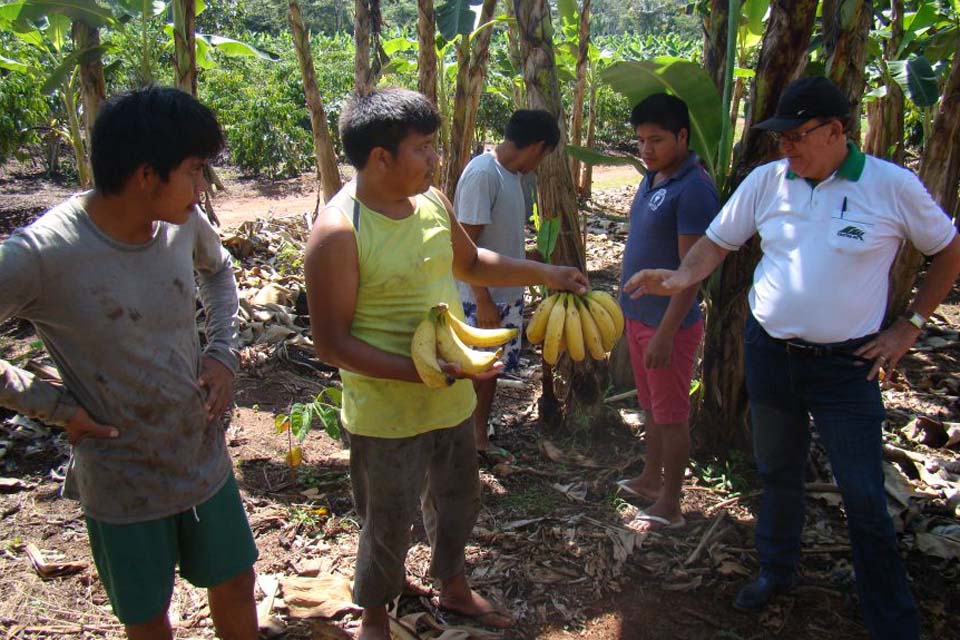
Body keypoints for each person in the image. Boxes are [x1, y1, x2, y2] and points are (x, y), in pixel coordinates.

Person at [624, 76, 960, 640]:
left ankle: (891, 617)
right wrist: (683, 275)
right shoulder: (768, 181)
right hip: (770, 353)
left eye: (798, 136)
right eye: (781, 137)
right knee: (776, 472)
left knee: (862, 493)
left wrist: (910, 325)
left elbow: (948, 247)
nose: (787, 148)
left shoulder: (890, 186)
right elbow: (718, 241)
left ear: (836, 131)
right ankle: (776, 571)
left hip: (846, 367)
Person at [303, 88, 587, 640]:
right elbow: (331, 344)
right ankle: (375, 617)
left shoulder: (433, 201)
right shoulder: (340, 231)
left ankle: (452, 585)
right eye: (424, 148)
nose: (436, 159)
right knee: (386, 522)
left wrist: (544, 272)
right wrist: (428, 372)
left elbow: (472, 263)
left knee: (458, 501)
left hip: (452, 397)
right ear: (381, 157)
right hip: (387, 412)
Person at [0, 87, 258, 639]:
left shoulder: (182, 221)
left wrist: (222, 352)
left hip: (201, 454)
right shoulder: (43, 254)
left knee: (235, 581)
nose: (202, 187)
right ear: (147, 175)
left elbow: (218, 272)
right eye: (194, 171)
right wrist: (50, 405)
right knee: (146, 616)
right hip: (123, 475)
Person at [614, 94, 719, 533]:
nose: (646, 150)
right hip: (641, 318)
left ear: (682, 136)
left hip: (668, 326)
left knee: (672, 415)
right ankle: (649, 478)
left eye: (656, 140)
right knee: (651, 408)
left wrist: (665, 332)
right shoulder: (654, 178)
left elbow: (689, 273)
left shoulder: (694, 188)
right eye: (640, 141)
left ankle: (671, 504)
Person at [454, 109, 560, 464]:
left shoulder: (512, 175)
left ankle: (478, 436)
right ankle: (459, 442)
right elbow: (465, 247)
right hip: (477, 298)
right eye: (544, 156)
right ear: (538, 147)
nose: (541, 164)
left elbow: (499, 238)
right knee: (472, 371)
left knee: (492, 371)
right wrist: (482, 299)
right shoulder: (484, 174)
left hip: (505, 295)